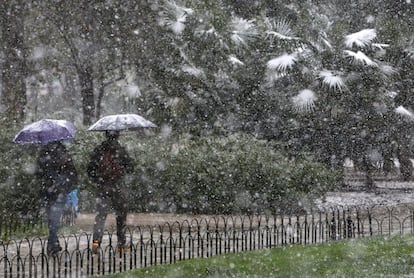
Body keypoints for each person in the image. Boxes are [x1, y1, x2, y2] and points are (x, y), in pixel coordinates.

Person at [87, 130, 134, 254]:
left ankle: (96, 243)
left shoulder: (98, 150)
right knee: (121, 216)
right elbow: (130, 168)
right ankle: (121, 244)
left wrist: (99, 180)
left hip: (103, 187)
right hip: (117, 186)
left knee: (100, 217)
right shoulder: (120, 150)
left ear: (105, 135)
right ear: (117, 135)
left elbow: (90, 170)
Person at [35, 141, 79, 256]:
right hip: (59, 191)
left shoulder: (43, 152)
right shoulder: (63, 152)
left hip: (47, 191)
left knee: (52, 218)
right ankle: (51, 244)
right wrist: (67, 185)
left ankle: (54, 242)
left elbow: (37, 173)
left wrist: (47, 180)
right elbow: (73, 173)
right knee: (55, 219)